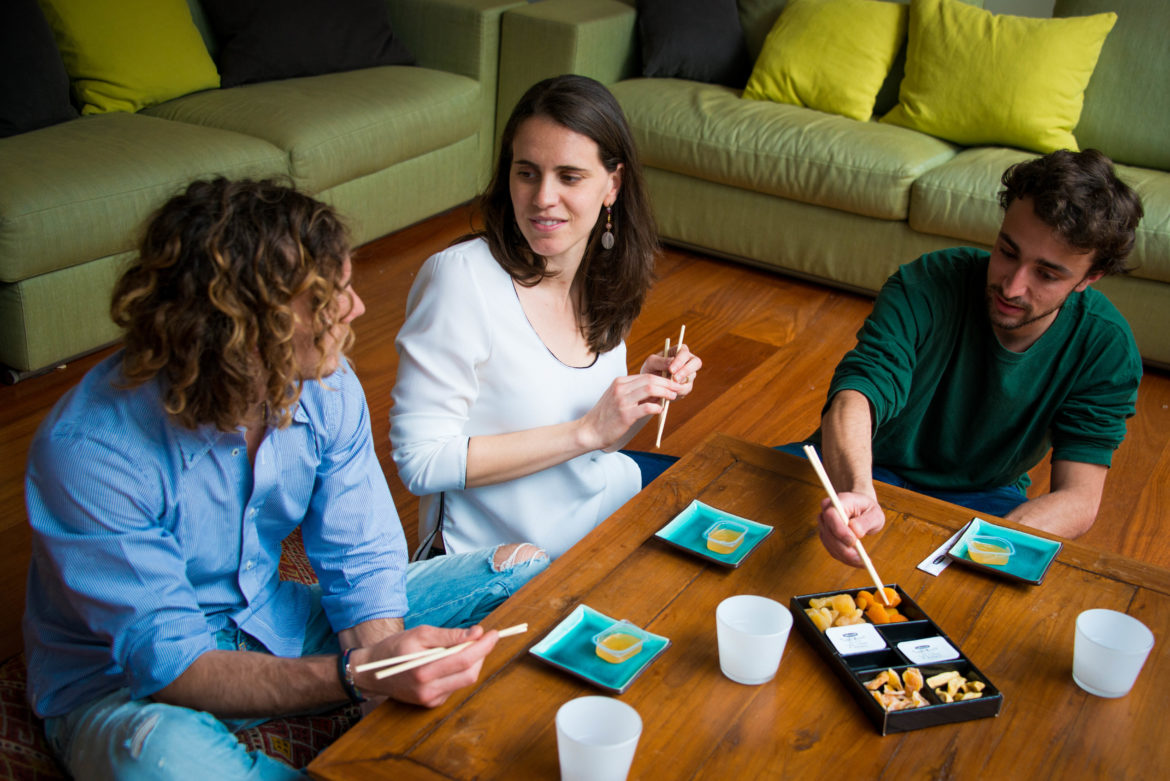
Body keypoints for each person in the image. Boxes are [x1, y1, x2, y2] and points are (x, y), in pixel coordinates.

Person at [23, 178, 548, 781]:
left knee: (524, 576)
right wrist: (361, 675)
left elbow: (361, 557)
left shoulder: (326, 381)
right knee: (159, 761)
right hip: (128, 685)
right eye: (328, 299)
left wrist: (380, 681)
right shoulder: (91, 451)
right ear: (245, 326)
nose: (355, 309)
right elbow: (172, 665)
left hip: (272, 620)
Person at [390, 75, 702, 560]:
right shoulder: (461, 279)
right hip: (506, 563)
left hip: (601, 521)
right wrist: (587, 430)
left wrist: (636, 399)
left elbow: (600, 448)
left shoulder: (601, 276)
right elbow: (420, 461)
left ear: (612, 185)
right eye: (527, 172)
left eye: (569, 177)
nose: (542, 198)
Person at [803, 149, 1144, 567]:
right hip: (866, 464)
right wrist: (856, 488)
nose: (1013, 286)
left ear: (1089, 278)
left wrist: (992, 539)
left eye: (1047, 274)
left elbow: (1079, 497)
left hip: (987, 493)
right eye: (1007, 251)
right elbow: (857, 392)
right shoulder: (928, 281)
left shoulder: (1105, 346)